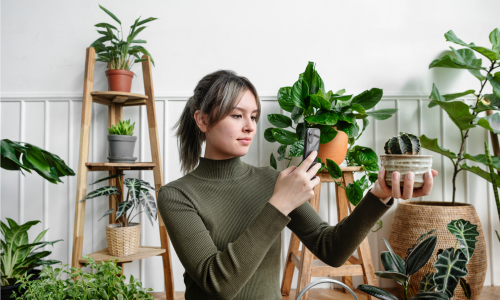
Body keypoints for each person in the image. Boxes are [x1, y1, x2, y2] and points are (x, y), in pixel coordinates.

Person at [157, 70, 438, 300]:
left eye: (253, 116)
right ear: (202, 120)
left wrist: (379, 195)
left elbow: (333, 249)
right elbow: (219, 284)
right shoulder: (176, 196)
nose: (250, 126)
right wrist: (279, 204)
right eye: (236, 115)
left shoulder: (270, 181)